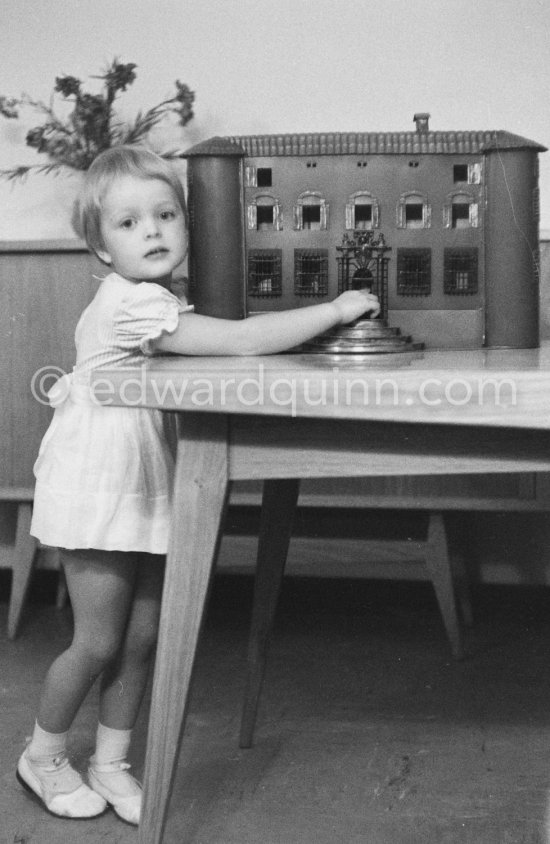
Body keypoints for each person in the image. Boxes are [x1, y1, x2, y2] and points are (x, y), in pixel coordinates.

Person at [18, 144, 380, 825]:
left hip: (146, 478)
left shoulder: (157, 298)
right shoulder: (129, 304)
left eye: (164, 214)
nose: (151, 231)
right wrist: (333, 312)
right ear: (100, 249)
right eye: (128, 224)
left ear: (186, 224)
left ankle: (112, 763)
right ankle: (42, 756)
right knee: (96, 639)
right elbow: (242, 341)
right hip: (96, 485)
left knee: (143, 635)